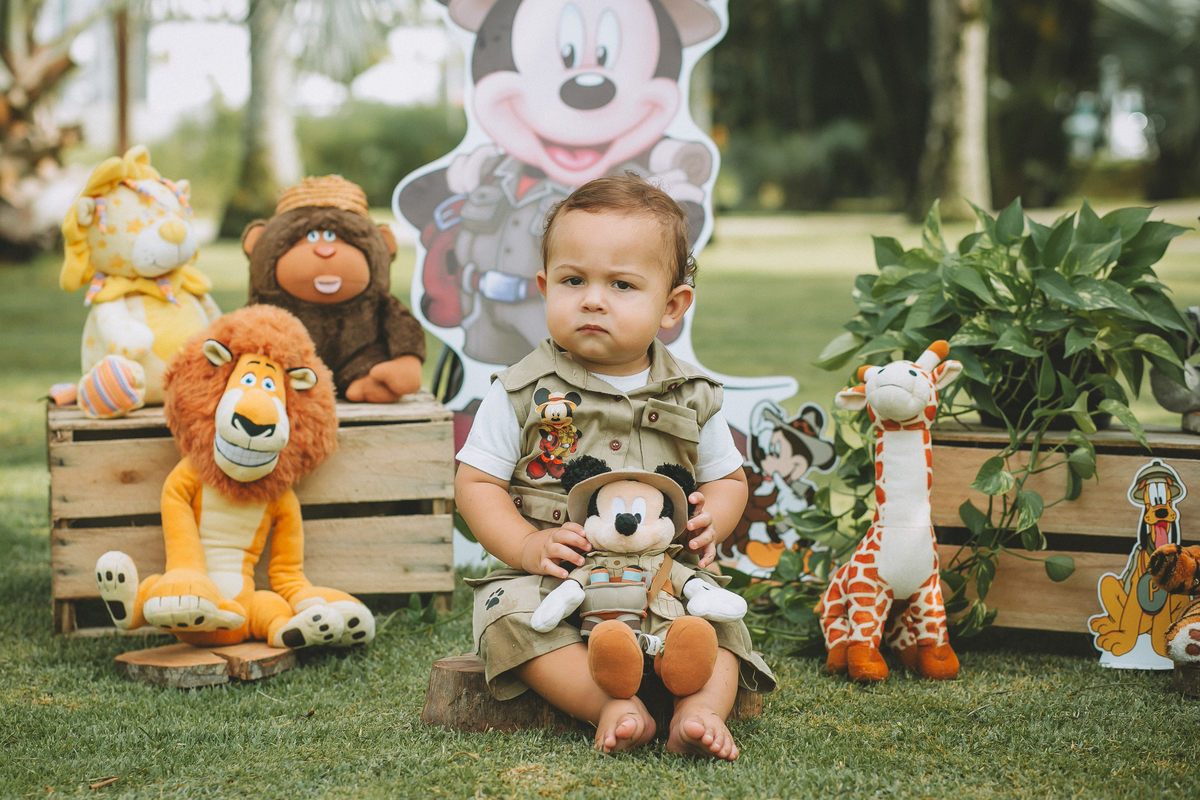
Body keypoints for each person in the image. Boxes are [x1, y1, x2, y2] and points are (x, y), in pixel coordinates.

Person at [454, 173, 774, 760]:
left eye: (622, 284)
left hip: (662, 580)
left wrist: (714, 522)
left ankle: (697, 713)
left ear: (672, 305)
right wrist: (528, 548)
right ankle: (610, 704)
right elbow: (476, 483)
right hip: (555, 579)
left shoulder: (692, 394)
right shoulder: (521, 391)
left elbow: (728, 479)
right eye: (573, 281)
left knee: (719, 629)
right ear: (544, 287)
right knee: (511, 619)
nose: (593, 299)